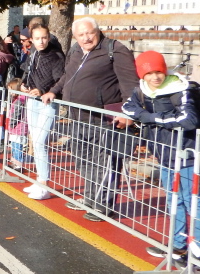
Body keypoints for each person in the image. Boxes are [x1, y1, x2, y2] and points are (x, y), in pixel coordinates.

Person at [41, 17, 138, 221]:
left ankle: (103, 206)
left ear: (98, 31)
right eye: (81, 35)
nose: (86, 38)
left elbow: (130, 85)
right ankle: (89, 198)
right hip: (77, 117)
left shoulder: (115, 50)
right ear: (75, 36)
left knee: (104, 163)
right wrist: (54, 91)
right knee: (83, 160)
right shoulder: (76, 50)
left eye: (89, 33)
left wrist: (127, 114)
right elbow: (68, 75)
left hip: (103, 119)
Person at [121, 51, 200, 264]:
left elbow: (189, 119)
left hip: (187, 154)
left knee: (192, 202)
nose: (155, 77)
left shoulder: (181, 89)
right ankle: (178, 245)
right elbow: (127, 107)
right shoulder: (142, 90)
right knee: (174, 201)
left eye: (158, 71)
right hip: (163, 155)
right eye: (149, 73)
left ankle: (197, 249)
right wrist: (151, 117)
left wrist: (152, 118)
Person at [19, 23, 65, 201]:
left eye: (44, 38)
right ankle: (39, 180)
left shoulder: (56, 56)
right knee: (36, 141)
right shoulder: (34, 54)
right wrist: (24, 84)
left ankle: (44, 185)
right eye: (37, 38)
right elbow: (28, 71)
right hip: (32, 101)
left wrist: (44, 90)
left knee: (40, 142)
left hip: (47, 102)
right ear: (31, 39)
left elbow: (59, 79)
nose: (41, 41)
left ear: (49, 37)